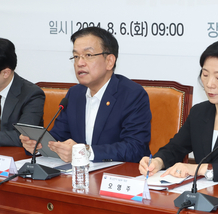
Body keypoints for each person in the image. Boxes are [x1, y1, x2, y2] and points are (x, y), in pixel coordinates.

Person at [139, 40, 218, 182]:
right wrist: (158, 161)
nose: (209, 84)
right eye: (205, 74)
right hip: (200, 195)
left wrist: (200, 169)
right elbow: (175, 148)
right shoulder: (199, 112)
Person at [20, 26, 151, 163]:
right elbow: (59, 136)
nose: (79, 63)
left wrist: (84, 152)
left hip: (115, 175)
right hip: (78, 176)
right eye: (76, 56)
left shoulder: (132, 94)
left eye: (88, 55)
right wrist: (38, 144)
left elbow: (136, 148)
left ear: (109, 61)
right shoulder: (75, 93)